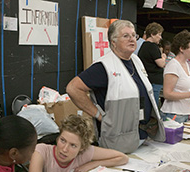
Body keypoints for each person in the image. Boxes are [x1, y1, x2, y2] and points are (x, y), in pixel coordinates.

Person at [66, 20, 165, 154]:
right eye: (126, 36)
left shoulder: (136, 61)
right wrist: (99, 115)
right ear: (113, 42)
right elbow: (73, 88)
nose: (132, 39)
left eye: (133, 35)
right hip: (117, 141)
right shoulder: (103, 66)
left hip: (140, 137)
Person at [28, 114, 128, 172]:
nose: (65, 149)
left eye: (73, 145)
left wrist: (91, 164)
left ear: (82, 148)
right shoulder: (41, 150)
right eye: (62, 140)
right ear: (58, 137)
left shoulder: (84, 152)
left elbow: (122, 157)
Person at [160, 30, 190, 123]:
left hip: (184, 113)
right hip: (174, 114)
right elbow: (167, 94)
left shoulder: (185, 64)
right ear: (181, 48)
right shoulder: (173, 65)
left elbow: (181, 89)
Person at [138, 22, 166, 106]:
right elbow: (161, 64)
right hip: (154, 81)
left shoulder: (143, 46)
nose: (160, 38)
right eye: (159, 34)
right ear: (153, 34)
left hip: (147, 79)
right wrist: (163, 57)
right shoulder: (153, 47)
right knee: (154, 104)